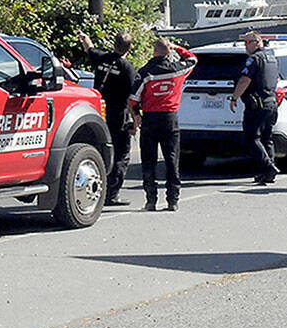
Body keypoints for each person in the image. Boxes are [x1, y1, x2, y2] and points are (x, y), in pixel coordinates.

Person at [129, 38, 198, 212]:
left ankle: (151, 200)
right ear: (168, 53)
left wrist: (136, 115)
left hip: (150, 119)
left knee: (149, 161)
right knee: (172, 160)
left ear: (153, 52)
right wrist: (177, 47)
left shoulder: (145, 72)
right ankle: (173, 200)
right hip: (170, 119)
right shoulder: (177, 70)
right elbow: (192, 59)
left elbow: (133, 99)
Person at [79, 30, 138, 205]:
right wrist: (136, 122)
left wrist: (84, 37)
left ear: (113, 44)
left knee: (99, 151)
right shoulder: (127, 68)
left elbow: (90, 49)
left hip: (99, 113)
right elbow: (131, 98)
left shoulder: (102, 59)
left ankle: (97, 187)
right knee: (121, 154)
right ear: (130, 47)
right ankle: (112, 194)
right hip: (118, 116)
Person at [230, 31, 279, 184]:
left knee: (252, 137)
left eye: (247, 43)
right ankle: (268, 172)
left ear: (258, 42)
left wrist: (234, 97)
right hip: (271, 103)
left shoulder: (254, 59)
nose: (245, 47)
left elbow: (245, 80)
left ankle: (269, 167)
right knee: (266, 138)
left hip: (257, 105)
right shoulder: (272, 59)